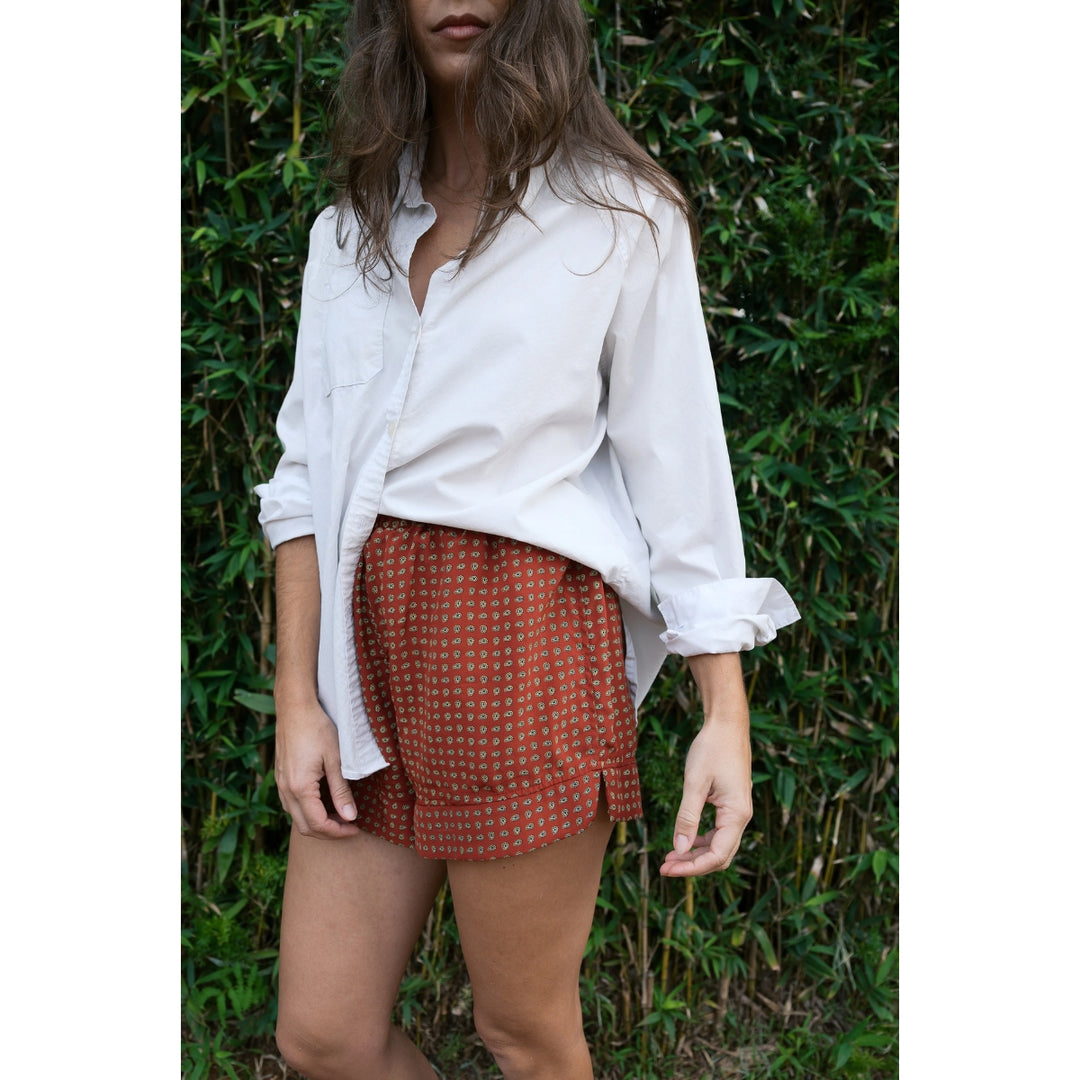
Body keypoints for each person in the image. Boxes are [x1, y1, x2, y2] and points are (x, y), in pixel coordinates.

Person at [255, 1, 799, 1077]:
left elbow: (681, 483)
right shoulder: (349, 231)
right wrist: (297, 700)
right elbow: (304, 477)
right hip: (364, 666)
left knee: (527, 1034)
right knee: (324, 1034)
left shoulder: (621, 222)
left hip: (524, 653)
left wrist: (723, 714)